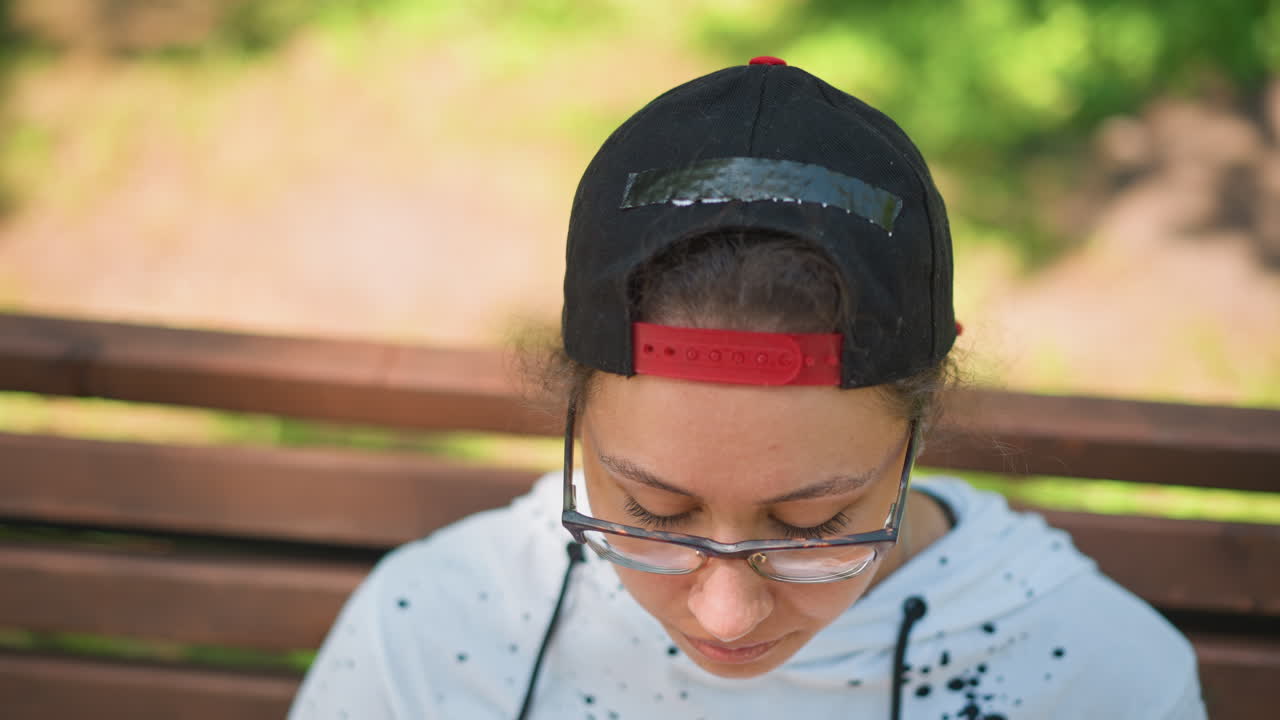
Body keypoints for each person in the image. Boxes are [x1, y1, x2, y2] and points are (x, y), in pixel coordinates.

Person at [288, 57, 1206, 720]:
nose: (726, 613)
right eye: (651, 509)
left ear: (920, 425)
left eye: (815, 527)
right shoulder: (434, 628)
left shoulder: (1099, 678)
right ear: (573, 419)